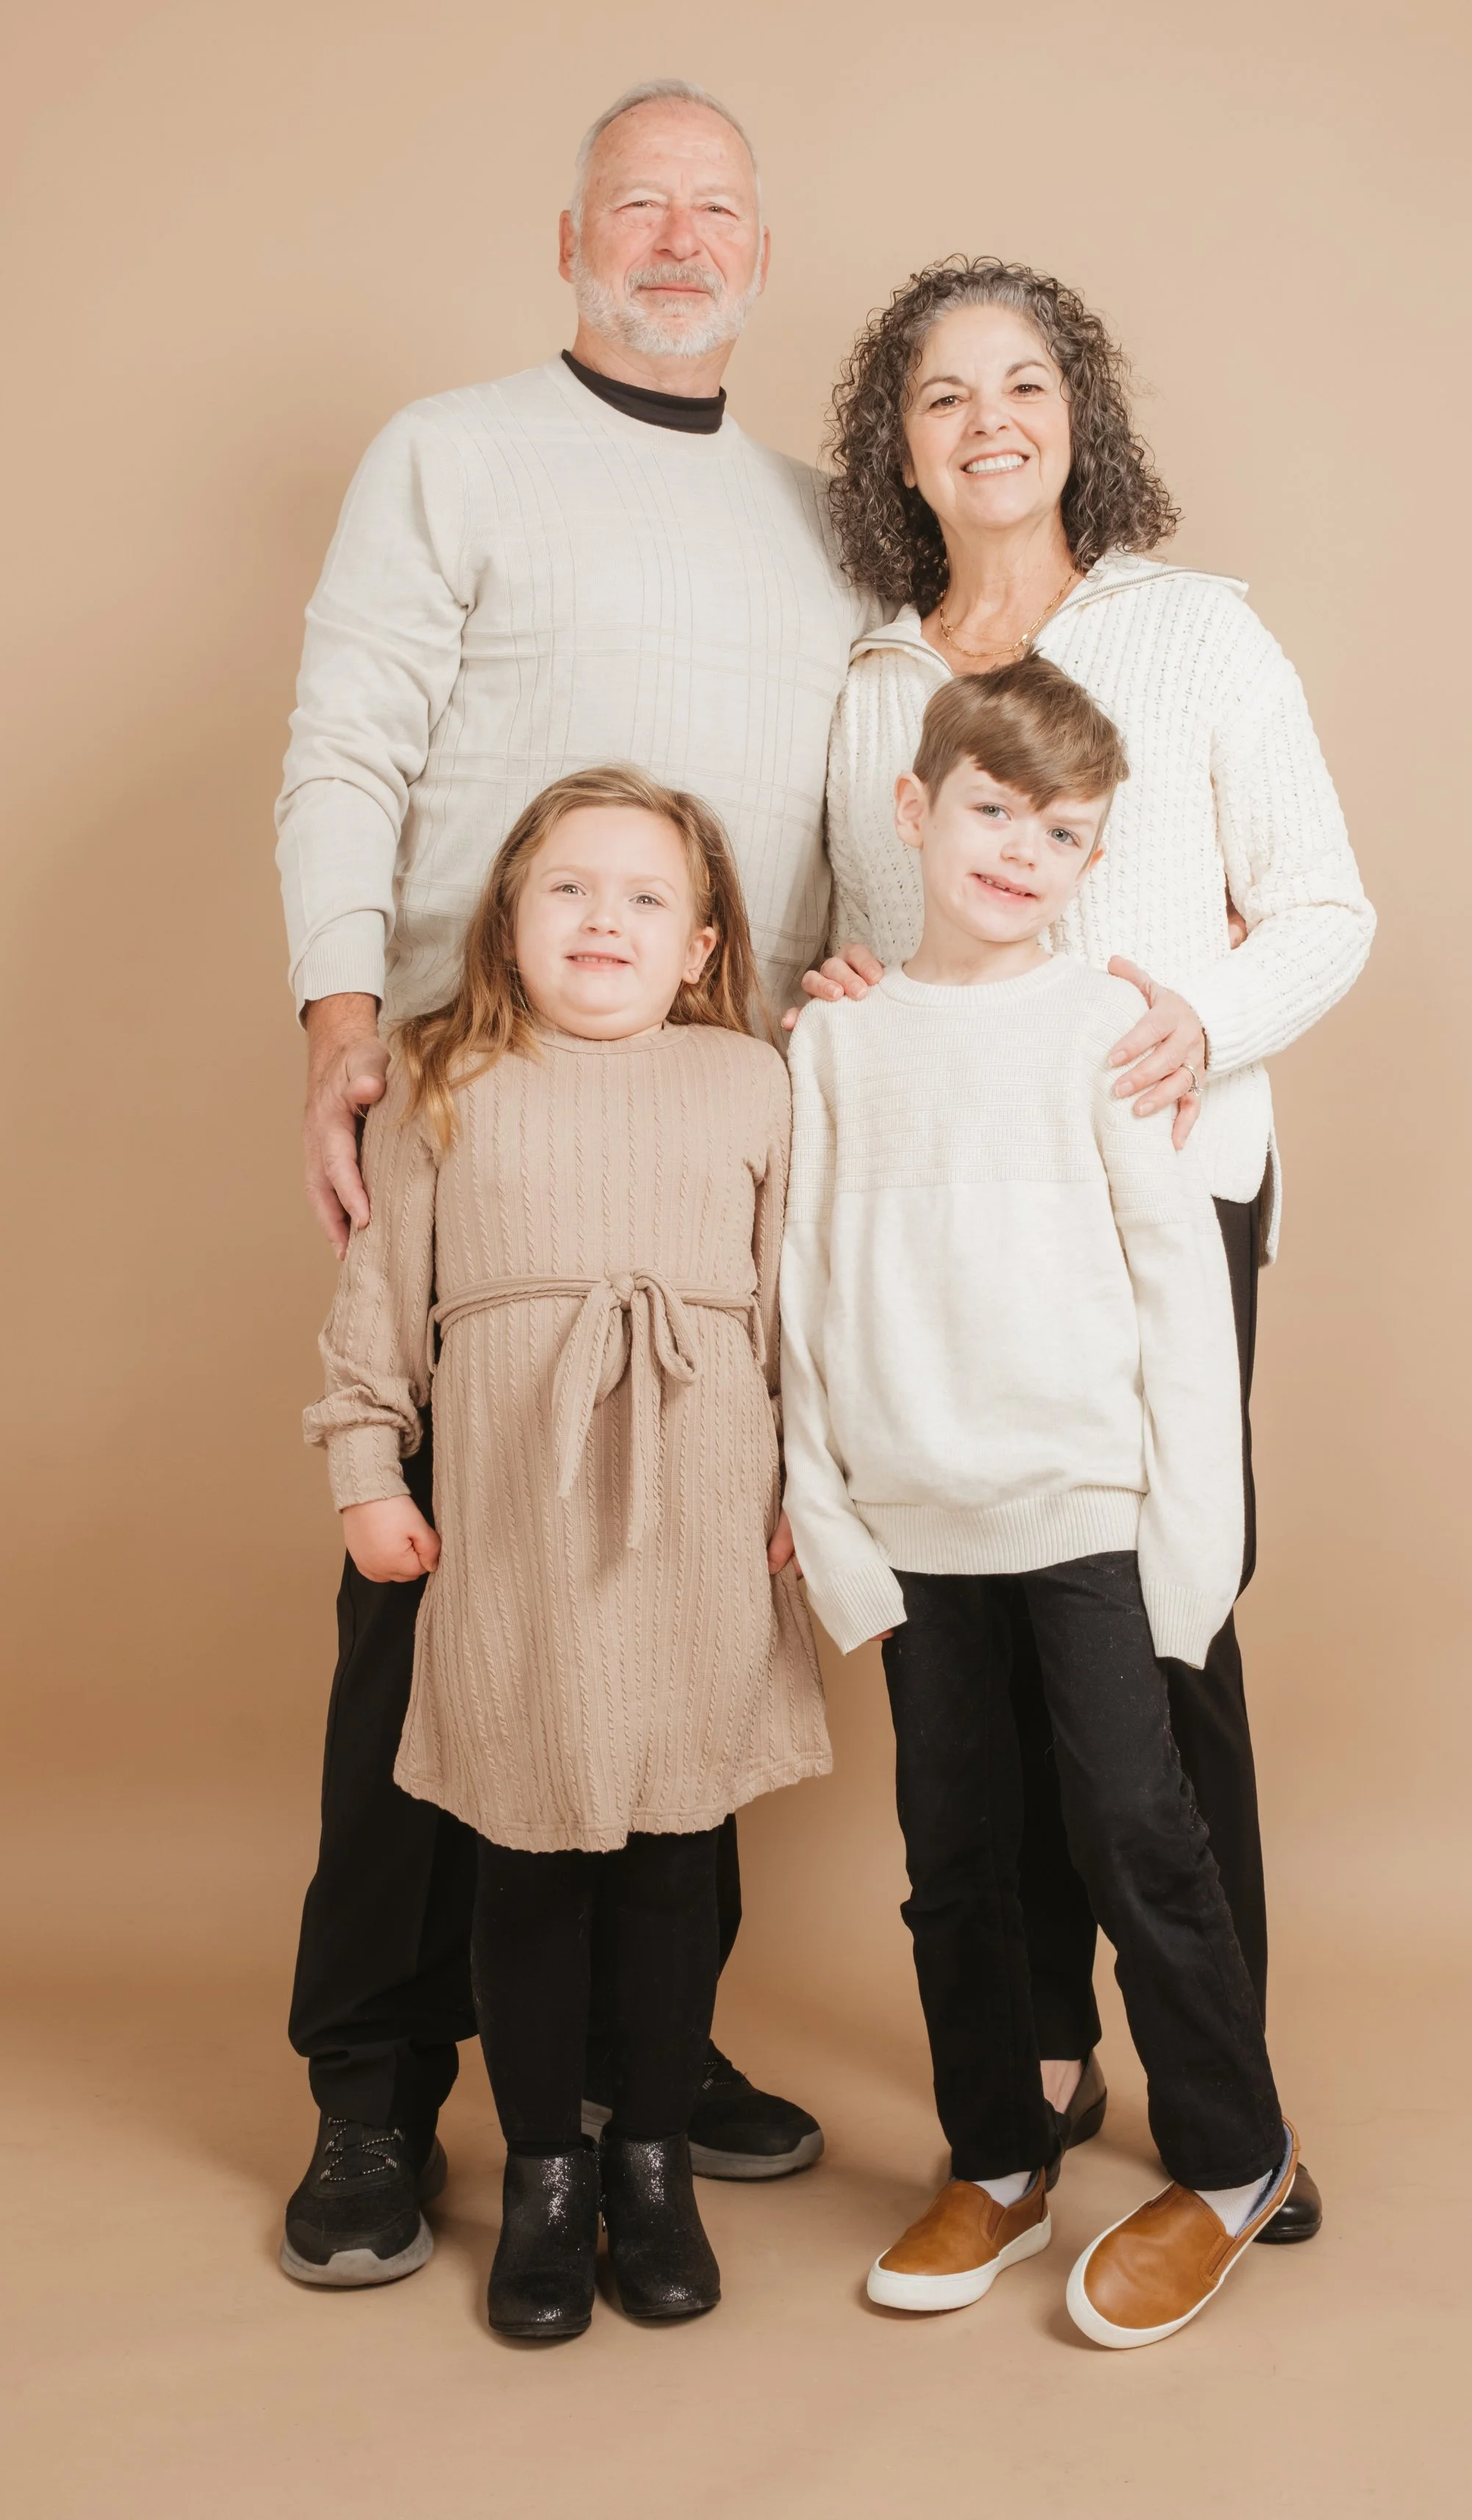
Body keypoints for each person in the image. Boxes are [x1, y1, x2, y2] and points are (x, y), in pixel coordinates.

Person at [276, 79, 859, 2288]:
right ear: (569, 236)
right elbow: (347, 737)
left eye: (719, 208)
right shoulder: (448, 452)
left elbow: (842, 811)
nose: (681, 238)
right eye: (643, 203)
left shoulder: (820, 522)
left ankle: (649, 2052)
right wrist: (343, 1008)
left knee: (685, 1635)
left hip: (707, 1145)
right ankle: (372, 2092)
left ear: (760, 257)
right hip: (474, 1120)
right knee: (429, 1632)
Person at [806, 257, 1376, 2243]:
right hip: (944, 1227)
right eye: (940, 392)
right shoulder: (871, 676)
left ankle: (1229, 2094)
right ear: (897, 439)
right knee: (974, 1633)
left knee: (1155, 1634)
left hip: (1161, 1187)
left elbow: (1321, 905)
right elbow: (848, 919)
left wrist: (1200, 1024)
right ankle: (1034, 2049)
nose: (986, 421)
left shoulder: (1201, 637)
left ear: (1077, 411)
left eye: (1022, 382)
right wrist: (846, 977)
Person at [783, 661, 1298, 2345]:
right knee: (954, 1862)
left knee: (1136, 1835)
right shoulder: (837, 1039)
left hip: (1081, 1512)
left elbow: (1175, 1301)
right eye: (990, 810)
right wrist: (836, 1530)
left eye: (1059, 830)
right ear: (914, 810)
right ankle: (996, 2159)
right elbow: (797, 1299)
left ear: (1091, 859)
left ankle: (1230, 2162)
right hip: (913, 1516)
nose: (1019, 849)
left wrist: (1184, 1560)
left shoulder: (1102, 1029)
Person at [303, 767, 830, 2339]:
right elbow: (375, 1309)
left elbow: (802, 1313)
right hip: (511, 1540)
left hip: (698, 1521)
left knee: (672, 1858)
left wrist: (815, 1482)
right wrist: (359, 1468)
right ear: (508, 924)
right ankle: (543, 2173)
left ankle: (645, 2164)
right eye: (568, 890)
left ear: (700, 943)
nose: (605, 918)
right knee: (522, 1858)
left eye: (645, 897)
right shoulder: (441, 1079)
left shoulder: (753, 1085)